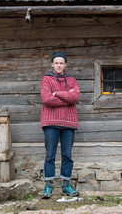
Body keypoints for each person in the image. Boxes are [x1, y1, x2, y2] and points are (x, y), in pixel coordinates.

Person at [40, 51, 80, 199]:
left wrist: (56, 93)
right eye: (56, 63)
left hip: (69, 123)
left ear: (65, 65)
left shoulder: (72, 81)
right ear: (52, 64)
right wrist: (66, 96)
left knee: (67, 155)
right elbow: (46, 99)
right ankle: (48, 186)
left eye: (61, 63)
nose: (59, 65)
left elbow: (75, 96)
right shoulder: (46, 80)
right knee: (50, 155)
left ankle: (66, 185)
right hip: (50, 123)